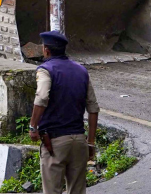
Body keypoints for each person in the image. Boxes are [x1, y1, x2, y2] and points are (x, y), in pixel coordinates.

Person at [29, 31, 99, 194]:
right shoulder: (82, 71)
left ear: (46, 50)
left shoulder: (45, 70)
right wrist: (91, 142)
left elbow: (41, 97)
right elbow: (93, 108)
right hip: (79, 141)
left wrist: (33, 126)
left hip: (55, 143)